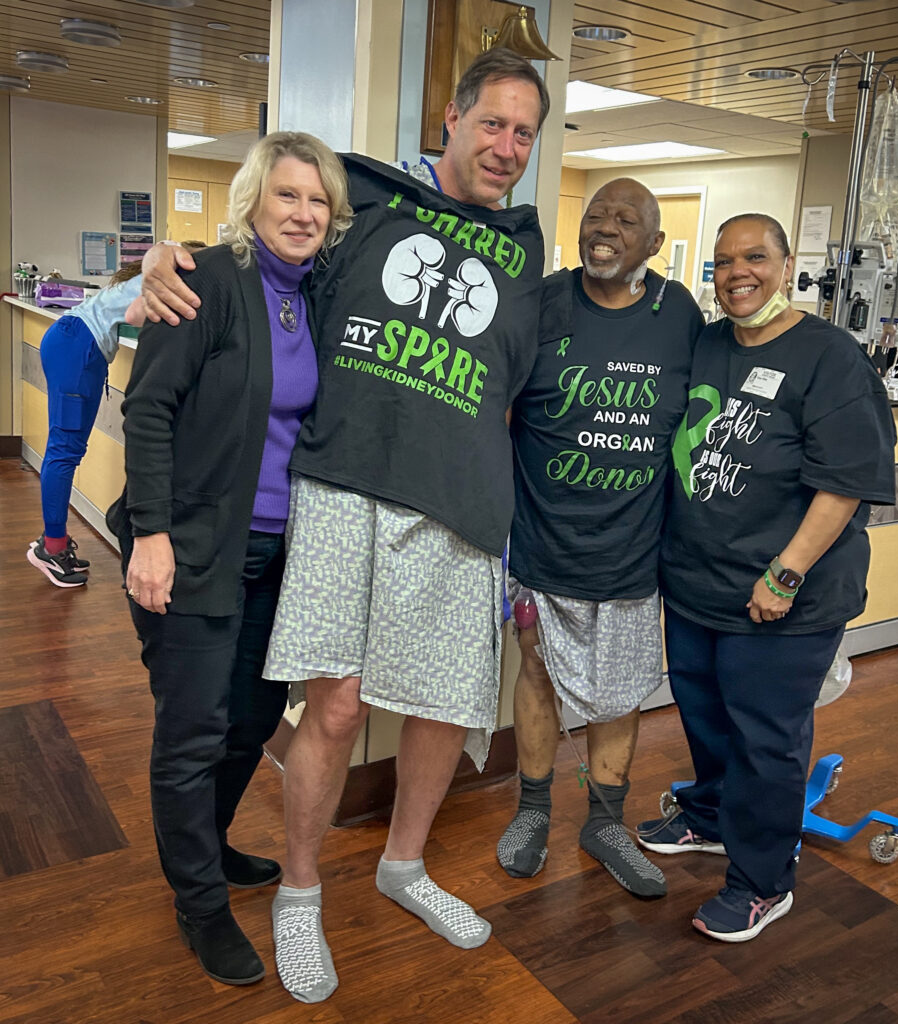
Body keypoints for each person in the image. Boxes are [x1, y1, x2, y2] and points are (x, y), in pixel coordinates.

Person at [137, 49, 549, 1004]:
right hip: (343, 491)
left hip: (458, 507)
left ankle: (404, 868)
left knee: (444, 705)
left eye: (525, 133)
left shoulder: (528, 255)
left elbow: (525, 383)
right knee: (331, 705)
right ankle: (298, 890)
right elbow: (255, 249)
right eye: (492, 123)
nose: (507, 146)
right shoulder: (361, 202)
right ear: (450, 117)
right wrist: (158, 253)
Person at [106, 131, 353, 985]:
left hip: (281, 557)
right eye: (287, 195)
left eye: (318, 200)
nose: (303, 213)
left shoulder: (322, 294)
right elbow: (147, 410)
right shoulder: (205, 281)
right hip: (195, 546)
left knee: (251, 723)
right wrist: (150, 532)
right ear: (252, 201)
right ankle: (199, 905)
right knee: (193, 733)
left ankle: (204, 852)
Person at [636, 213, 896, 942]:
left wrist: (784, 573)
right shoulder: (710, 343)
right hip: (697, 581)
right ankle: (712, 818)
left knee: (765, 738)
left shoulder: (829, 357)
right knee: (706, 714)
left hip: (784, 593)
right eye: (722, 262)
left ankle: (761, 881)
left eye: (754, 258)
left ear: (786, 265)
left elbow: (844, 482)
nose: (736, 273)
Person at [496, 179, 703, 897]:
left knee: (620, 695)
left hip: (632, 548)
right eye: (594, 215)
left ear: (654, 243)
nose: (604, 228)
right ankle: (530, 810)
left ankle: (605, 821)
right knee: (535, 673)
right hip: (542, 542)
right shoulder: (544, 301)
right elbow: (497, 407)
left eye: (626, 219)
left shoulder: (677, 312)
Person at [25, 246, 200, 587]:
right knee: (64, 451)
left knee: (66, 449)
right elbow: (136, 316)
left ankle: (53, 542)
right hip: (79, 349)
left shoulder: (150, 272)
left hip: (72, 342)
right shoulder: (167, 277)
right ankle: (52, 549)